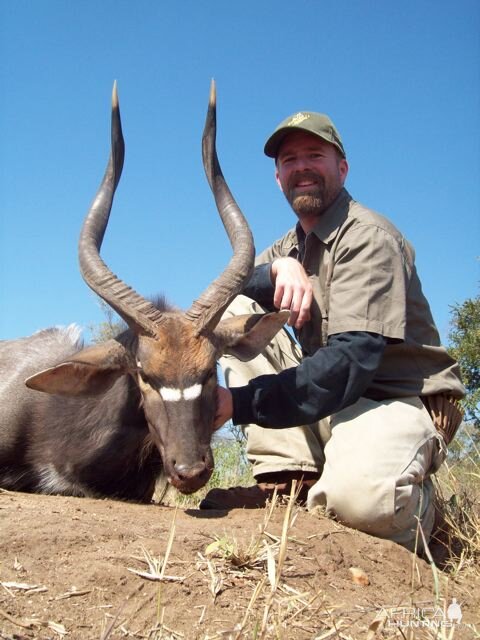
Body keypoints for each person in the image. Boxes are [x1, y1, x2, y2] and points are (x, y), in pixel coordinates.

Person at [200, 110, 465, 552]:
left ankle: (421, 508)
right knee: (236, 306)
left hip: (395, 400)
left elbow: (351, 362)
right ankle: (288, 482)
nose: (301, 166)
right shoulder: (287, 246)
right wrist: (274, 272)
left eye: (314, 155)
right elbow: (225, 287)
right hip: (330, 404)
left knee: (362, 504)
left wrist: (239, 403)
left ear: (341, 168)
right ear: (278, 178)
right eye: (289, 159)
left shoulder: (368, 236)